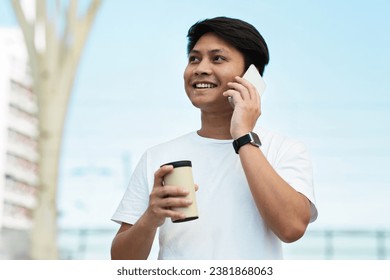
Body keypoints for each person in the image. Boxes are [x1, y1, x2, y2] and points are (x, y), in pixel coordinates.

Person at [111, 16, 318, 260]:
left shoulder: (284, 149)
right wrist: (151, 218)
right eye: (194, 59)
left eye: (217, 58)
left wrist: (242, 136)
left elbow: (292, 228)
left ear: (251, 78)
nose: (200, 68)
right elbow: (121, 262)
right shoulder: (158, 156)